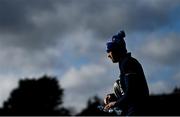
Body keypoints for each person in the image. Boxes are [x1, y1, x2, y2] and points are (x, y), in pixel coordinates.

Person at [104, 30, 149, 116]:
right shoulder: (124, 62)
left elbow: (131, 93)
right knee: (117, 84)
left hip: (136, 110)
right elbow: (129, 90)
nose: (108, 55)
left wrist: (115, 103)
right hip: (133, 108)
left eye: (110, 51)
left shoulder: (127, 63)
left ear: (117, 50)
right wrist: (113, 97)